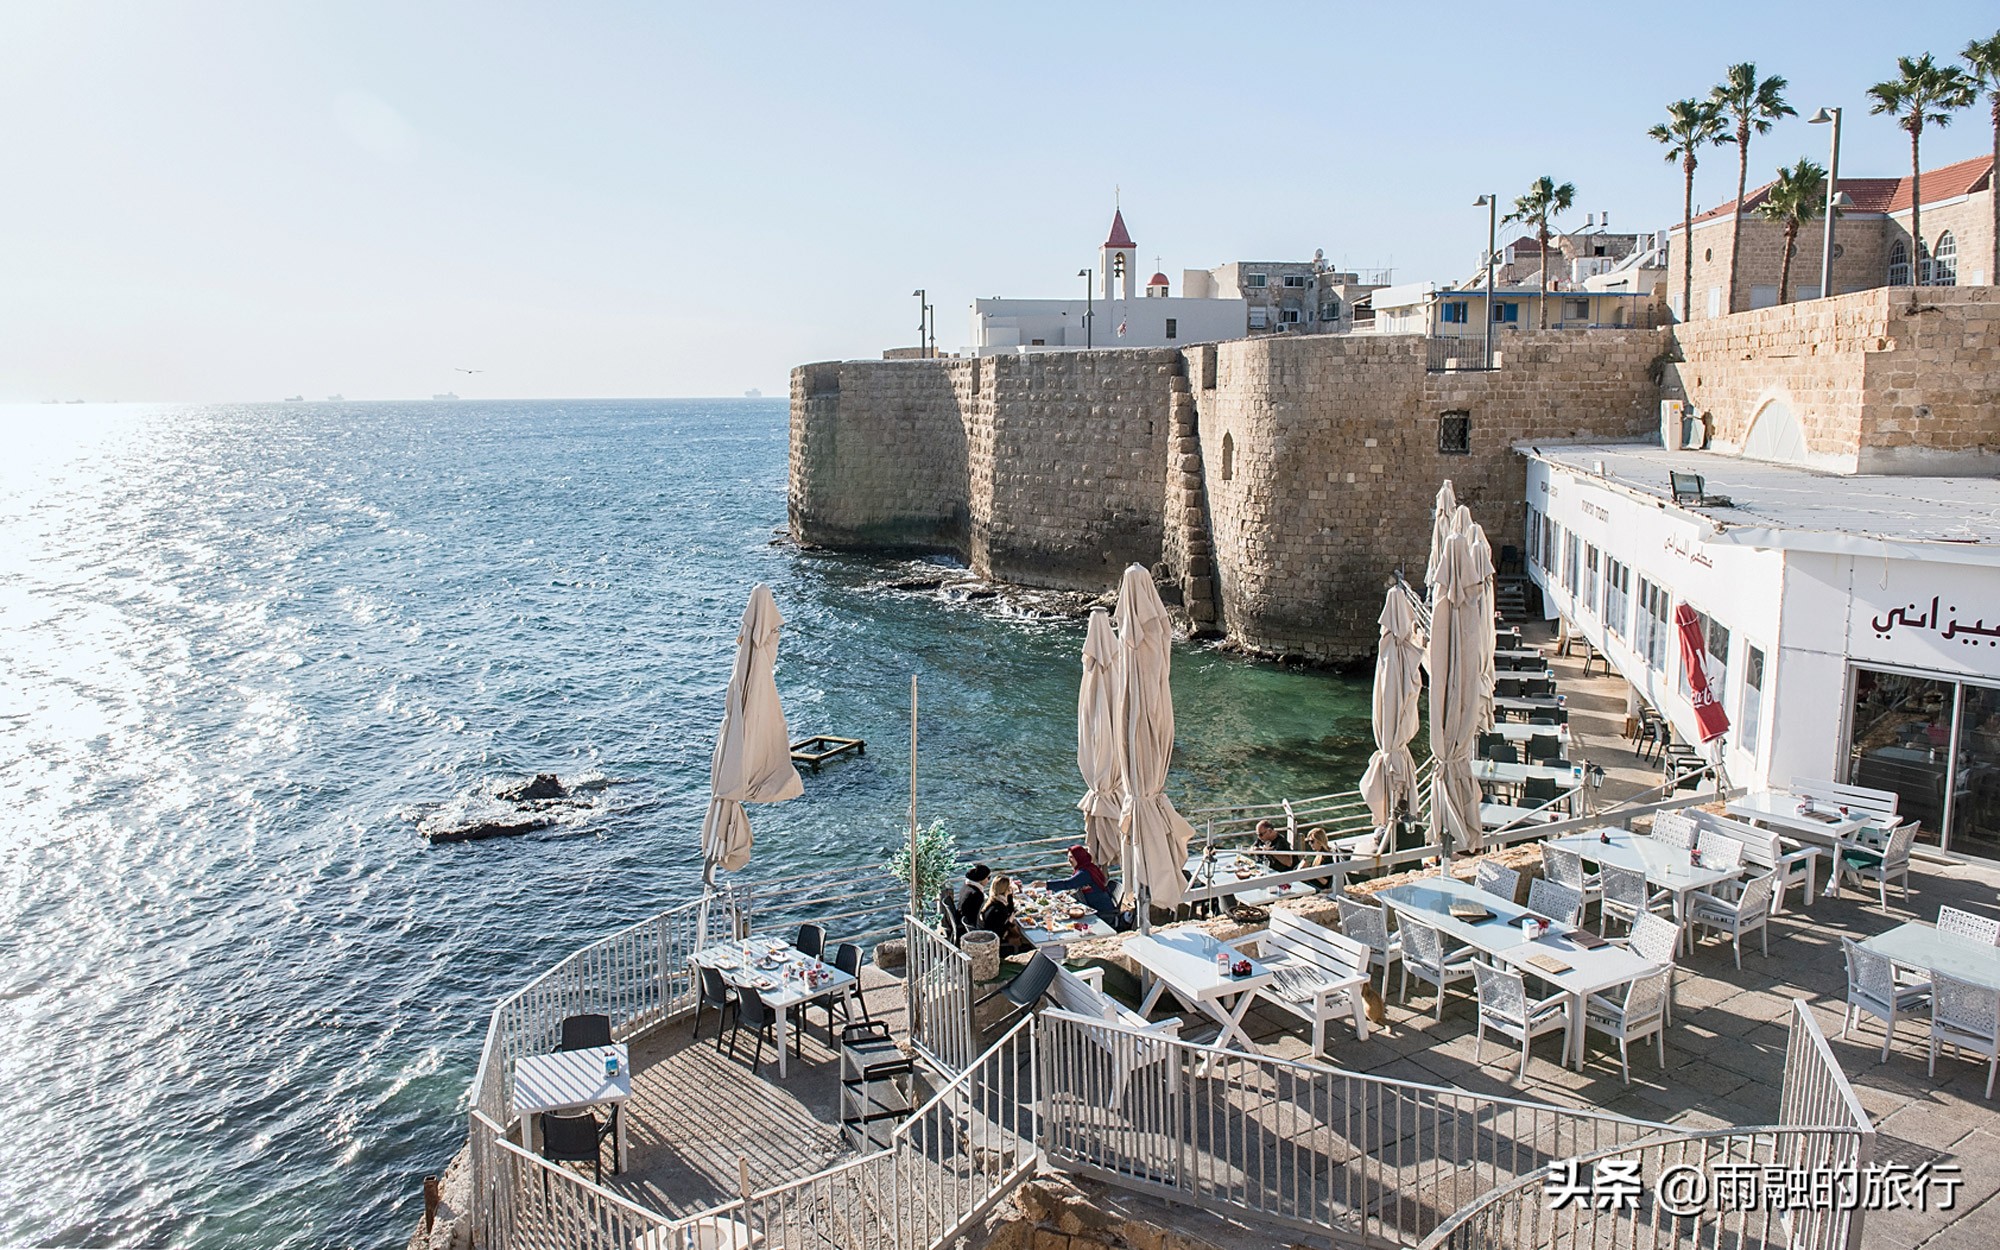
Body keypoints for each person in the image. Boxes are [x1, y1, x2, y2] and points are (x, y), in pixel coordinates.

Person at [1044, 845, 1120, 925]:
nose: (1068, 860)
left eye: (1071, 857)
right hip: (1095, 906)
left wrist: (1046, 884)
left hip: (1102, 914)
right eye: (1068, 857)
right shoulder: (1090, 867)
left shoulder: (1085, 873)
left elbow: (1069, 883)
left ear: (1079, 857)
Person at [978, 875, 1031, 954]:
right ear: (1007, 889)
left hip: (987, 933)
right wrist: (1009, 921)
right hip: (995, 938)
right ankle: (1020, 947)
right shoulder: (1000, 909)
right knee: (1019, 929)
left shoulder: (992, 900)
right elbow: (1001, 930)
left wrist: (1009, 895)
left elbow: (1010, 910)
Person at [954, 864, 991, 934]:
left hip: (960, 921)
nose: (988, 880)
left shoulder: (966, 886)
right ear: (981, 878)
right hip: (969, 927)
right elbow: (976, 915)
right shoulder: (977, 894)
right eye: (988, 878)